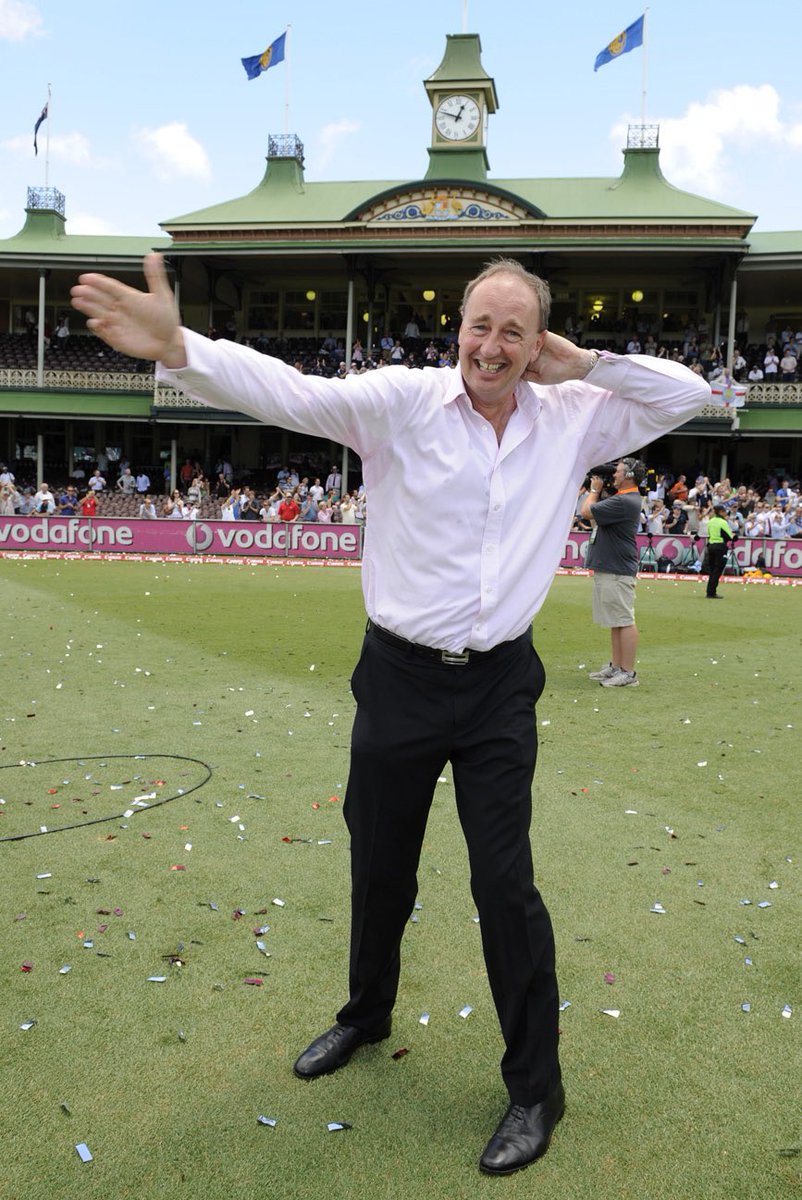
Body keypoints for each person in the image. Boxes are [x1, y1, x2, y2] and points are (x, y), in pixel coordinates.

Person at [71, 252, 709, 1177]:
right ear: (457, 327)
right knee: (380, 865)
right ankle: (365, 1015)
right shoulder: (404, 402)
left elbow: (686, 397)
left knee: (505, 885)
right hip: (400, 678)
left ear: (539, 343)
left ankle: (536, 1088)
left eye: (513, 331)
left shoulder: (576, 417)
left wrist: (589, 364)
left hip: (498, 688)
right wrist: (182, 348)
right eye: (478, 325)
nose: (490, 347)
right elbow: (292, 393)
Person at [580, 459, 645, 688]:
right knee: (616, 620)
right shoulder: (624, 499)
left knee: (624, 620)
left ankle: (627, 672)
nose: (613, 475)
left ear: (628, 474)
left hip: (617, 568)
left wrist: (595, 491)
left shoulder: (625, 500)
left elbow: (586, 511)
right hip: (612, 566)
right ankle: (617, 667)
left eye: (617, 472)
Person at [705, 505, 733, 598]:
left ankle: (709, 591)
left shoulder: (711, 521)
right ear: (721, 512)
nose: (726, 513)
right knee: (718, 570)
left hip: (711, 546)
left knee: (712, 570)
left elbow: (709, 534)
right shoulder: (723, 522)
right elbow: (729, 536)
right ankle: (712, 592)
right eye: (724, 511)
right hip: (720, 547)